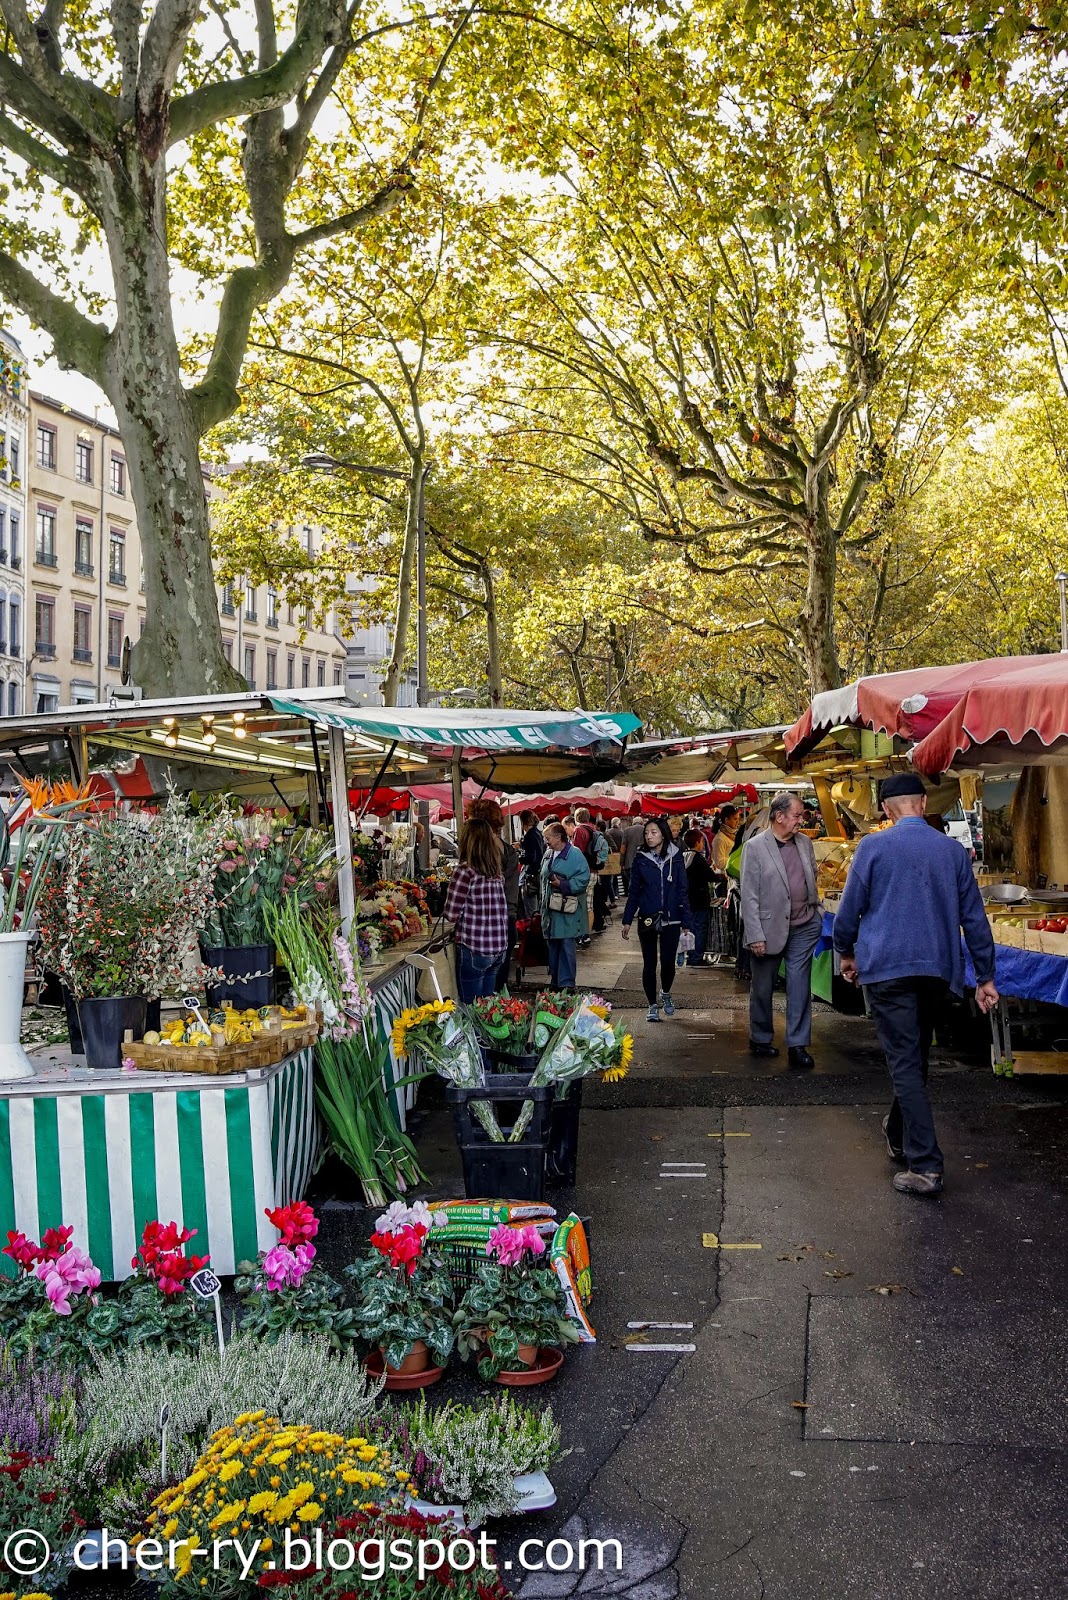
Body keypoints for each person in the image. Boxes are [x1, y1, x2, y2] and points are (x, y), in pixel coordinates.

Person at [834, 773, 999, 1198]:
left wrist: (846, 952)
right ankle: (897, 1130)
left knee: (906, 1063)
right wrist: (985, 976)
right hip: (936, 971)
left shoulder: (872, 847)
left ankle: (925, 1165)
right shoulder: (952, 851)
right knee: (915, 1055)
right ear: (923, 804)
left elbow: (849, 910)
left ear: (887, 810)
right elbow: (975, 921)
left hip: (887, 969)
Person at [740, 791, 821, 1069]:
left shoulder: (805, 843)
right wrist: (755, 935)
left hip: (803, 926)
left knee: (799, 988)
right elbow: (749, 895)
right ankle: (760, 1037)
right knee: (763, 988)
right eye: (797, 815)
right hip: (768, 928)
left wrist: (817, 912)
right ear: (779, 817)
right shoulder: (755, 847)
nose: (802, 820)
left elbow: (812, 877)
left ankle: (798, 1045)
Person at [622, 819, 692, 1022]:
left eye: (653, 832)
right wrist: (627, 919)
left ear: (663, 834)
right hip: (647, 918)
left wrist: (686, 922)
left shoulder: (676, 857)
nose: (649, 836)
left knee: (668, 963)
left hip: (672, 919)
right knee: (649, 963)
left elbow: (682, 890)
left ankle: (666, 993)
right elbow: (633, 891)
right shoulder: (640, 858)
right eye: (647, 833)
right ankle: (652, 1004)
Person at [443, 815, 508, 1002]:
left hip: (474, 948)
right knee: (486, 1007)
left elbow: (451, 914)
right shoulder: (496, 873)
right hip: (497, 948)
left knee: (470, 1008)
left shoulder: (465, 871)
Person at [540, 821, 591, 989]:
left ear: (558, 837)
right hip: (551, 911)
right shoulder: (548, 854)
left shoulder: (575, 855)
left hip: (568, 911)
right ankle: (556, 982)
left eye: (548, 838)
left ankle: (567, 984)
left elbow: (583, 879)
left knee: (567, 947)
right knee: (553, 947)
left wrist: (562, 885)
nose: (546, 841)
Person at [683, 828, 716, 964]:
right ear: (698, 842)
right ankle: (697, 957)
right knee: (700, 928)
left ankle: (691, 955)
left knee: (690, 929)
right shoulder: (697, 858)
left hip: (688, 898)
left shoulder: (684, 855)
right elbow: (710, 876)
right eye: (702, 841)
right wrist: (721, 876)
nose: (703, 844)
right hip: (699, 899)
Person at [621, 813, 645, 894]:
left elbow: (623, 847)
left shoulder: (627, 830)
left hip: (630, 862)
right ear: (642, 823)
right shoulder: (646, 830)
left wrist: (622, 862)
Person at [711, 805, 740, 873]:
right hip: (725, 877)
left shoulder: (734, 835)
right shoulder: (720, 839)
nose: (737, 822)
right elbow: (719, 863)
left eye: (738, 819)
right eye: (735, 819)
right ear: (726, 820)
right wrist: (738, 860)